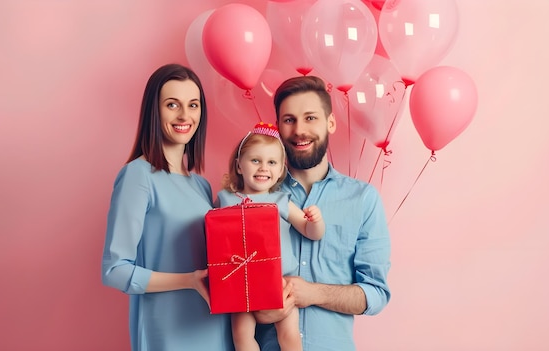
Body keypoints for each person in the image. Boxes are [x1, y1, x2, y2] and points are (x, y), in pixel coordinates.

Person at [101, 63, 233, 351]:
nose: (185, 115)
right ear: (154, 110)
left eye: (193, 105)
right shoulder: (138, 176)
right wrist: (188, 280)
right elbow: (115, 270)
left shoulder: (201, 186)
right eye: (172, 104)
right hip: (168, 334)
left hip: (217, 329)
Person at [253, 76, 392, 351]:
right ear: (278, 126)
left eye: (310, 118)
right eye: (289, 120)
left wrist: (313, 293)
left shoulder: (363, 199)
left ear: (330, 122)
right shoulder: (256, 197)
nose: (299, 130)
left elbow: (376, 293)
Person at [216, 122, 325, 351]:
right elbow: (216, 239)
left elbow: (309, 231)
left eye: (272, 162)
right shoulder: (226, 199)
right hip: (240, 282)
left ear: (279, 172)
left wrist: (316, 222)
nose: (263, 167)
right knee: (241, 336)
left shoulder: (280, 201)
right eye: (255, 160)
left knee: (290, 337)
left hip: (280, 281)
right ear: (238, 165)